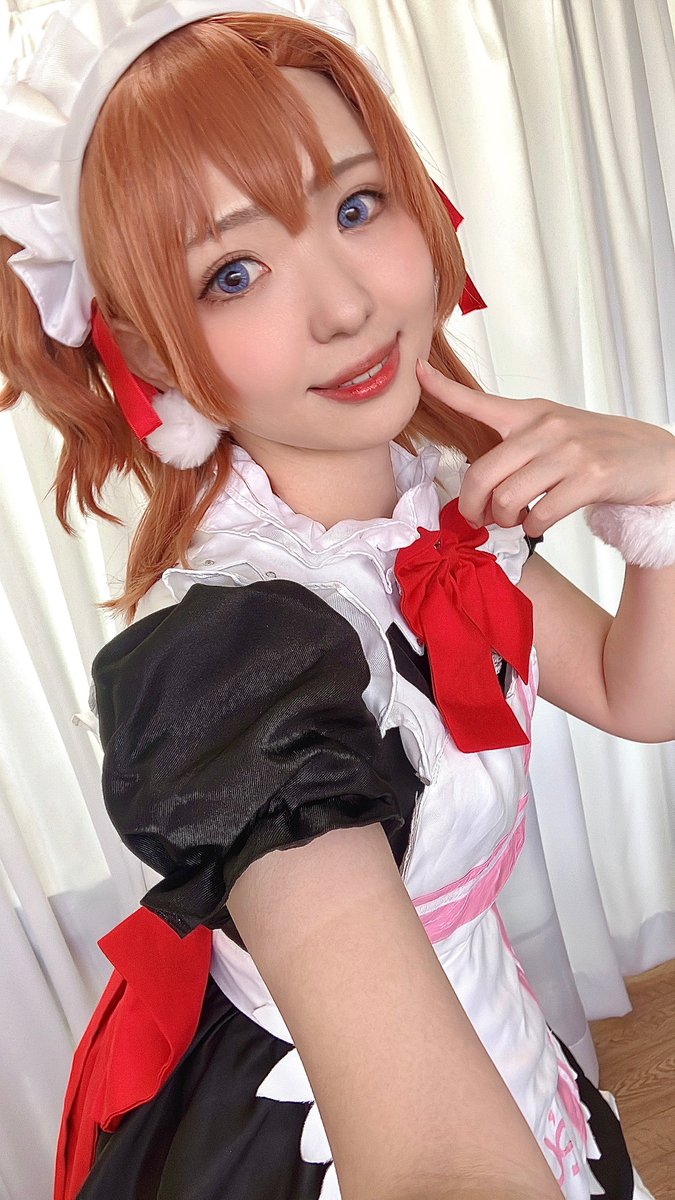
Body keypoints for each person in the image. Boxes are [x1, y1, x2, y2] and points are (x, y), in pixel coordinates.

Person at [0, 3, 673, 1198]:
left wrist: (662, 497)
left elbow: (640, 694)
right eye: (234, 273)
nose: (346, 307)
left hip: (507, 1050)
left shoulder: (431, 515)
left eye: (357, 206)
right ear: (147, 353)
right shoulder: (234, 660)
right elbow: (429, 1167)